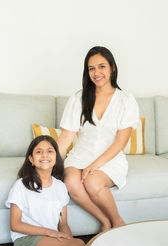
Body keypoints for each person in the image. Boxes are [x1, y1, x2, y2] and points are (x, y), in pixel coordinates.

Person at [57, 46, 139, 232]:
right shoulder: (79, 98)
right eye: (91, 68)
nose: (96, 72)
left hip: (110, 158)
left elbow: (121, 142)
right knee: (70, 182)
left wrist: (94, 166)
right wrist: (47, 164)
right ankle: (105, 221)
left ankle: (117, 222)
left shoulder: (126, 100)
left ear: (112, 68)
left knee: (92, 182)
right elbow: (66, 136)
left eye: (101, 66)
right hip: (80, 156)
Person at [5, 135, 86, 246]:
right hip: (26, 239)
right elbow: (15, 225)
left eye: (50, 151)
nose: (44, 155)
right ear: (31, 159)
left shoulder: (60, 187)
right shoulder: (21, 186)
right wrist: (50, 232)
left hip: (52, 239)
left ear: (56, 158)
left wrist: (67, 239)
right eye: (38, 152)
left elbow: (63, 223)